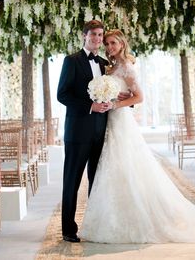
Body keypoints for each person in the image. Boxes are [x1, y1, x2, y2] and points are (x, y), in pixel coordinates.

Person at [80, 29, 195, 244]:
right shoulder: (109, 67)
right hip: (108, 122)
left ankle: (138, 219)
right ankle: (116, 217)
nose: (109, 47)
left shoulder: (127, 68)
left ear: (122, 44)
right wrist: (111, 96)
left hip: (121, 122)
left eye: (113, 43)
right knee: (114, 168)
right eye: (107, 44)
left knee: (127, 166)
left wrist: (116, 103)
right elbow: (118, 92)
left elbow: (139, 97)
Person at [57, 20, 111, 243]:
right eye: (93, 35)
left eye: (100, 35)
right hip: (78, 132)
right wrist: (90, 106)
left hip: (101, 131)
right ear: (84, 36)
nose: (97, 39)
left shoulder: (105, 63)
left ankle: (94, 225)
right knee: (72, 180)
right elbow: (63, 95)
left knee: (97, 181)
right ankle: (68, 229)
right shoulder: (72, 61)